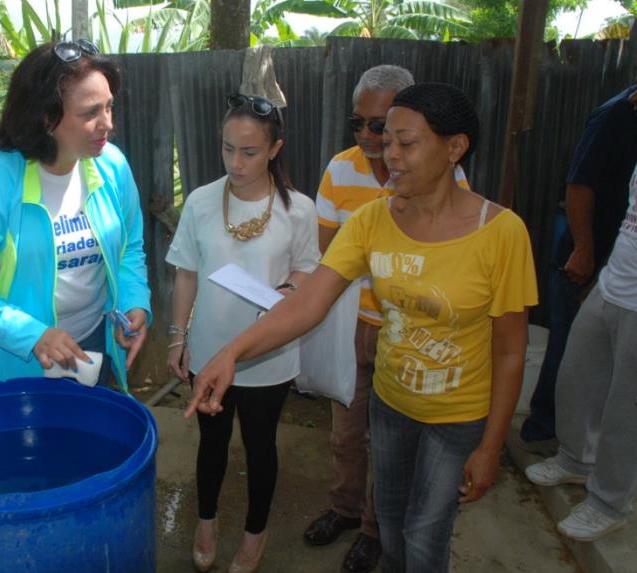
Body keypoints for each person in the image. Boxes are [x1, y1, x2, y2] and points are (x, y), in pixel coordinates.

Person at [186, 84, 538, 573]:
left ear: (454, 147)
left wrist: (491, 445)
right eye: (385, 139)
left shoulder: (501, 232)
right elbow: (308, 302)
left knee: (424, 532)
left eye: (405, 142)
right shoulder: (372, 220)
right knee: (391, 522)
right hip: (391, 403)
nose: (388, 153)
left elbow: (510, 351)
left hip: (458, 414)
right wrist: (232, 353)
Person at [0, 40, 151, 392]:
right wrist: (32, 335)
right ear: (47, 118)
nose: (107, 124)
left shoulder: (111, 165)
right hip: (9, 358)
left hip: (90, 345)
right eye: (90, 113)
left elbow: (129, 247)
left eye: (109, 107)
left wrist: (133, 299)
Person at [311, 64, 464, 573]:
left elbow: (452, 252)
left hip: (411, 327)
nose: (369, 137)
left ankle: (376, 531)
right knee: (346, 432)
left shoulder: (444, 171)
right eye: (359, 124)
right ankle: (344, 509)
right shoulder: (340, 169)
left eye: (382, 126)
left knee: (392, 442)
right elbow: (329, 253)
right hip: (351, 321)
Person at [166, 93, 319, 573]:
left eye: (249, 152)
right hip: (211, 349)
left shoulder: (300, 210)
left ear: (275, 148)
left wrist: (289, 286)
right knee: (211, 442)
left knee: (261, 445)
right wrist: (177, 336)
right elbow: (186, 272)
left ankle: (256, 533)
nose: (236, 161)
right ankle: (206, 522)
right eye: (228, 148)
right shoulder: (201, 201)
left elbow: (309, 273)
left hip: (269, 356)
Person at [525, 162, 637, 542]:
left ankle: (609, 502)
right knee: (576, 377)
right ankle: (576, 459)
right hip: (613, 283)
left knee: (626, 409)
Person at [520, 86, 637, 446]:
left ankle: (578, 440)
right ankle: (545, 432)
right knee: (570, 347)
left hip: (615, 254)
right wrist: (584, 249)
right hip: (591, 249)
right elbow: (580, 184)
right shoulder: (616, 115)